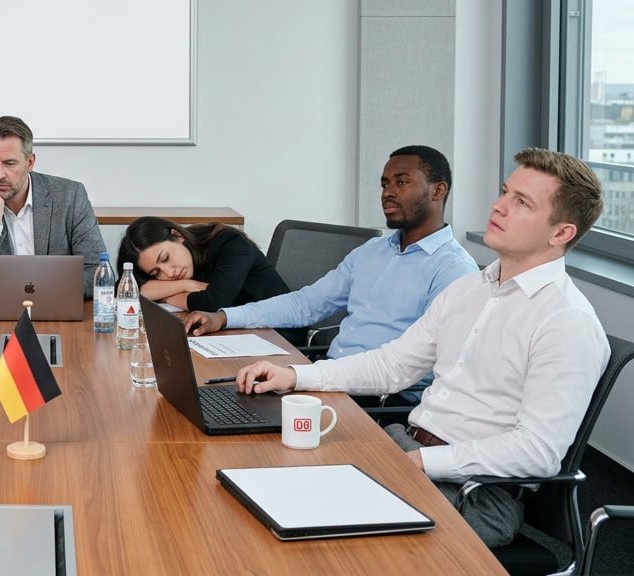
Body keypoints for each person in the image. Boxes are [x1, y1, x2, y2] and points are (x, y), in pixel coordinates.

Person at [234, 149, 611, 547]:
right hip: (405, 443)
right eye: (504, 192)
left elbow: (538, 452)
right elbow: (393, 364)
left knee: (317, 533)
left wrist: (422, 462)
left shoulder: (566, 321)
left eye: (521, 202)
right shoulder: (470, 289)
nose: (498, 206)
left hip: (474, 492)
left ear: (561, 233)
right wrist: (296, 375)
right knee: (272, 484)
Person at [183, 145, 477, 404]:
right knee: (218, 396)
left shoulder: (453, 269)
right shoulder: (373, 251)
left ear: (438, 191)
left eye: (402, 182)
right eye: (385, 183)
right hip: (329, 379)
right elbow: (306, 304)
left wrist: (307, 377)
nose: (388, 192)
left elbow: (423, 365)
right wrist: (224, 317)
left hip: (381, 399)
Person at [0, 115, 107, 298]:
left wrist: (35, 291)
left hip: (56, 311)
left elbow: (99, 273)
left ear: (29, 163)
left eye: (9, 163)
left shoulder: (69, 196)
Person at [116, 216, 288, 311]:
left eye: (165, 258)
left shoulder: (230, 243)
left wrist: (166, 295)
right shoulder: (184, 271)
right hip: (242, 335)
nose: (169, 273)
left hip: (282, 338)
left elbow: (214, 304)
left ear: (177, 236)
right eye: (155, 273)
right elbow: (123, 287)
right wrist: (185, 284)